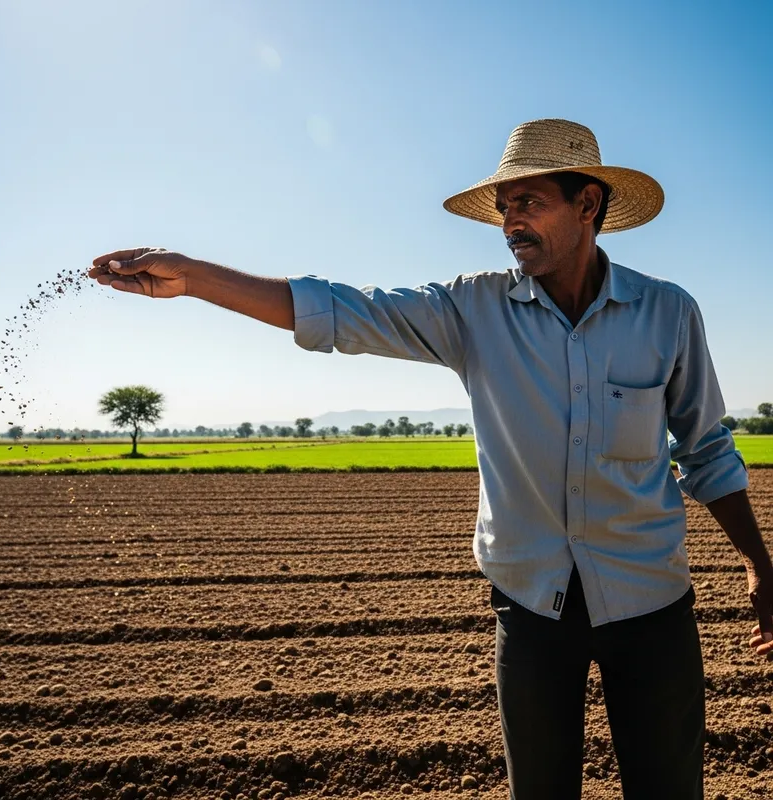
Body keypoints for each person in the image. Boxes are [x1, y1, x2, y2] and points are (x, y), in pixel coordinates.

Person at [89, 118, 773, 799]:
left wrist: (759, 568)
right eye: (504, 208)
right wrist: (196, 278)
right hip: (533, 609)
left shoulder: (668, 312)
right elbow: (343, 311)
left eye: (528, 202)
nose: (510, 222)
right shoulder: (472, 308)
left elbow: (707, 450)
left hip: (651, 604)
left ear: (587, 204)